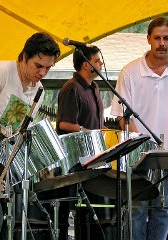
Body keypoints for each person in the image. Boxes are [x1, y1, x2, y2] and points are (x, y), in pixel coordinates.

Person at [0, 32, 60, 240]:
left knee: (5, 220)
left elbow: (18, 134)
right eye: (38, 65)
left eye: (48, 67)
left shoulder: (39, 92)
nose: (43, 72)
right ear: (24, 57)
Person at [111, 17, 168, 240]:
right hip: (138, 156)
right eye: (157, 38)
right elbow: (122, 116)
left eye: (166, 38)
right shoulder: (129, 72)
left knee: (164, 210)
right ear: (148, 39)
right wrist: (139, 141)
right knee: (137, 211)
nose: (161, 43)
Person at [56, 45, 105, 240]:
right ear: (86, 65)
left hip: (93, 157)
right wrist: (88, 133)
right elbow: (64, 123)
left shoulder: (95, 87)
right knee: (66, 209)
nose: (101, 64)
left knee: (91, 210)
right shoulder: (71, 88)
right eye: (97, 61)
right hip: (74, 160)